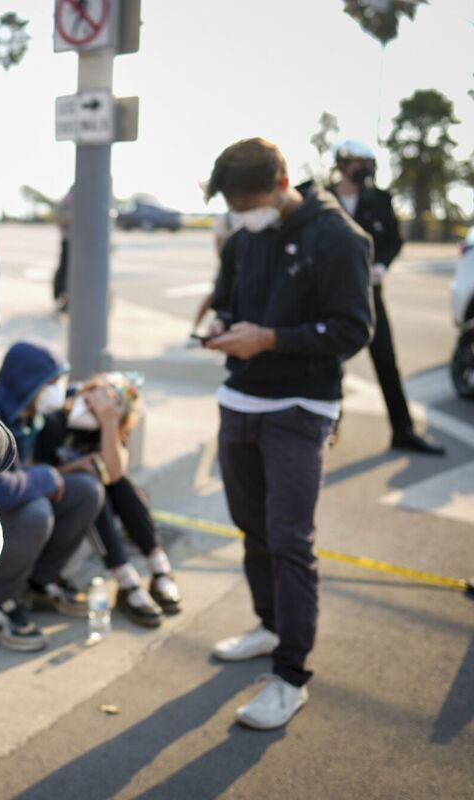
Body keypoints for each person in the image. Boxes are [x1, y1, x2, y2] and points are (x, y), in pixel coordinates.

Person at [202, 137, 373, 730]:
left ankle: (291, 675)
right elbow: (227, 298)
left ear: (281, 186)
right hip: (239, 398)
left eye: (247, 204)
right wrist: (223, 325)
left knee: (290, 539)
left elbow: (354, 329)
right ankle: (270, 623)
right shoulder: (246, 235)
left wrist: (271, 339)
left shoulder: (340, 238)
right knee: (252, 529)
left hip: (300, 406)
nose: (242, 217)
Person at [0, 342, 105, 652]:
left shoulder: (30, 414)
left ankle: (41, 582)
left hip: (12, 501)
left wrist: (63, 471)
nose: (55, 391)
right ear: (27, 383)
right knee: (36, 512)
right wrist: (48, 477)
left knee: (87, 490)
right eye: (49, 383)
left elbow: (29, 471)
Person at [36, 373, 183, 628]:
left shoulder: (111, 423)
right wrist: (77, 467)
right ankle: (126, 578)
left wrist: (109, 424)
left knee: (120, 483)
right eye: (95, 400)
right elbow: (36, 473)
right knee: (94, 487)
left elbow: (114, 472)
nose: (96, 408)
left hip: (93, 489)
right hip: (60, 497)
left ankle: (159, 566)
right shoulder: (58, 419)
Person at [328, 138, 444, 455]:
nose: (363, 171)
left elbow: (393, 240)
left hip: (367, 293)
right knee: (330, 359)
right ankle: (329, 425)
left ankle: (402, 430)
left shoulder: (378, 199)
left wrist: (381, 265)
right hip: (328, 296)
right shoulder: (322, 197)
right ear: (342, 164)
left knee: (385, 360)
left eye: (367, 166)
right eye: (357, 165)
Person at [52, 186, 75, 311]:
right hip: (69, 240)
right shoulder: (68, 200)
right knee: (65, 269)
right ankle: (61, 297)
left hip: (77, 242)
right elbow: (58, 217)